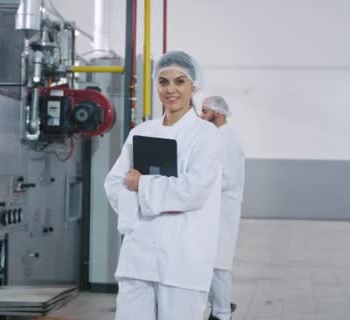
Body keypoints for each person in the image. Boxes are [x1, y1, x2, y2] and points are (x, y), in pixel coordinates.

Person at [104, 51, 224, 320]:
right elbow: (113, 183)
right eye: (163, 82)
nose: (171, 90)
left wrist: (142, 184)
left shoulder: (206, 135)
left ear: (194, 85)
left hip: (183, 257)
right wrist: (148, 193)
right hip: (139, 256)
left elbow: (193, 191)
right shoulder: (141, 132)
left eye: (179, 81)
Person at [200, 96, 245, 320]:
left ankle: (222, 312)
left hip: (223, 210)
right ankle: (219, 306)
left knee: (219, 265)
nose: (201, 116)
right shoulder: (217, 136)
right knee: (211, 263)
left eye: (205, 112)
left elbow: (227, 180)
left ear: (218, 113)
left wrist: (197, 187)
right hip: (215, 211)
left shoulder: (226, 139)